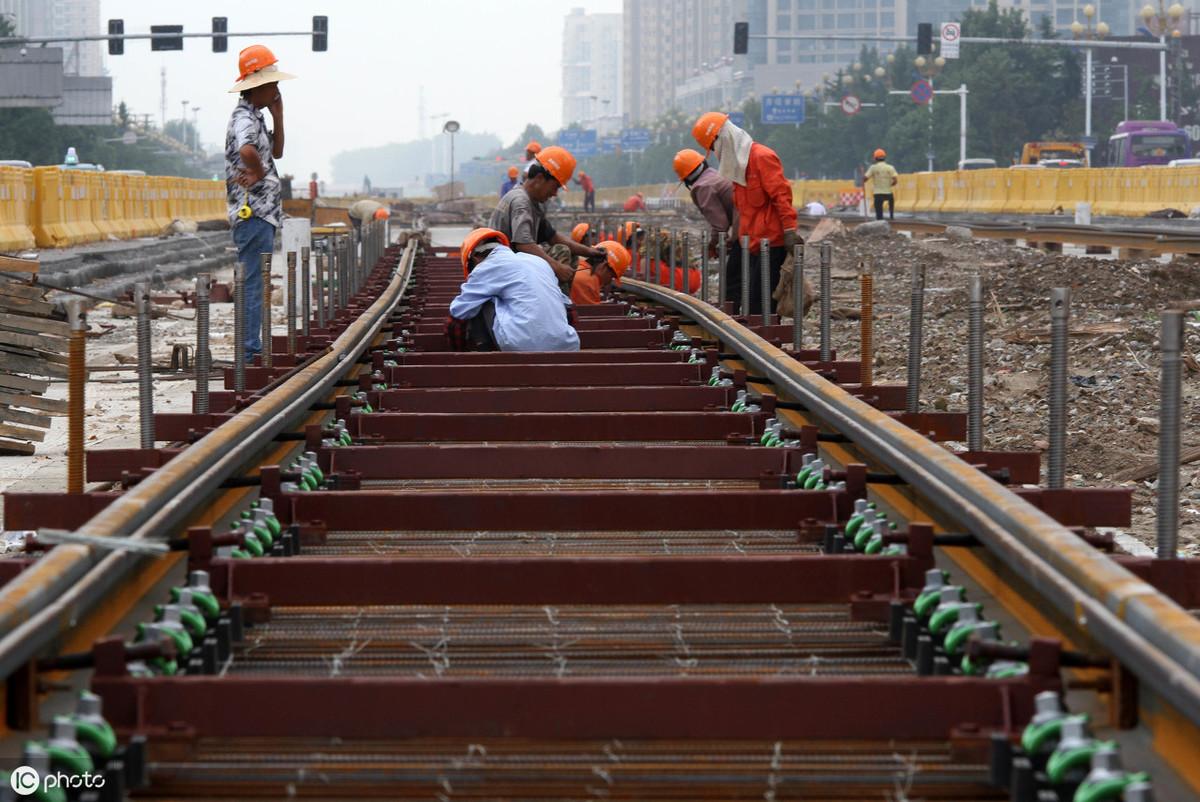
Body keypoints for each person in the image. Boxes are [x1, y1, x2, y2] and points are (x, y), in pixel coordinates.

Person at [225, 43, 294, 364]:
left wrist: (279, 117)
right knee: (254, 283)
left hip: (263, 215)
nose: (277, 89)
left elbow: (277, 151)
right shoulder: (244, 118)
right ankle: (250, 352)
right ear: (258, 86)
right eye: (273, 84)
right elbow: (246, 149)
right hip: (252, 214)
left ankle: (252, 348)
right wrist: (257, 171)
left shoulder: (256, 117)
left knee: (258, 282)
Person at [692, 111, 798, 316]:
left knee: (761, 304)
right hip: (752, 244)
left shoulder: (762, 157)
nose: (714, 152)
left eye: (713, 147)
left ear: (722, 139)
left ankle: (766, 343)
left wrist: (790, 229)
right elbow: (742, 211)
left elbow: (781, 196)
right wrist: (737, 239)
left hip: (772, 244)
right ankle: (756, 339)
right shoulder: (738, 168)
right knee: (749, 301)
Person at [446, 228, 580, 352]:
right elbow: (570, 310)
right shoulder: (538, 262)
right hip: (567, 345)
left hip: (519, 347)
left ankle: (487, 356)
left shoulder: (486, 266)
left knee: (480, 302)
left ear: (475, 258)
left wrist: (459, 353)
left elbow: (458, 316)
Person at [489, 145, 604, 287]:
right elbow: (524, 244)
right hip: (503, 270)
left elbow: (554, 238)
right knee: (561, 252)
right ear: (539, 179)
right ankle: (558, 305)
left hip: (513, 264)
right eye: (555, 187)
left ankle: (560, 302)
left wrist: (590, 252)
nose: (555, 193)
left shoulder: (533, 203)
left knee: (566, 250)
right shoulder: (521, 203)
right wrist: (557, 267)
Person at [673, 148, 737, 282]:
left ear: (687, 178)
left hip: (750, 227)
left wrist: (711, 246)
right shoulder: (715, 174)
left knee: (733, 281)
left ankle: (734, 303)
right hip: (752, 223)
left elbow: (720, 226)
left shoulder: (703, 187)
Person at [571, 241, 630, 306]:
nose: (609, 282)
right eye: (612, 276)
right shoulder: (588, 280)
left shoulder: (579, 268)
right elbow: (591, 313)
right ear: (604, 266)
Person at [864, 148, 898, 221]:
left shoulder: (873, 168)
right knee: (891, 200)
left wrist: (862, 177)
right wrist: (890, 185)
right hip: (888, 193)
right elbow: (895, 180)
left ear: (875, 158)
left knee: (879, 213)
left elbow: (865, 179)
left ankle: (880, 221)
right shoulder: (890, 167)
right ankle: (891, 216)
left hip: (878, 193)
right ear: (884, 157)